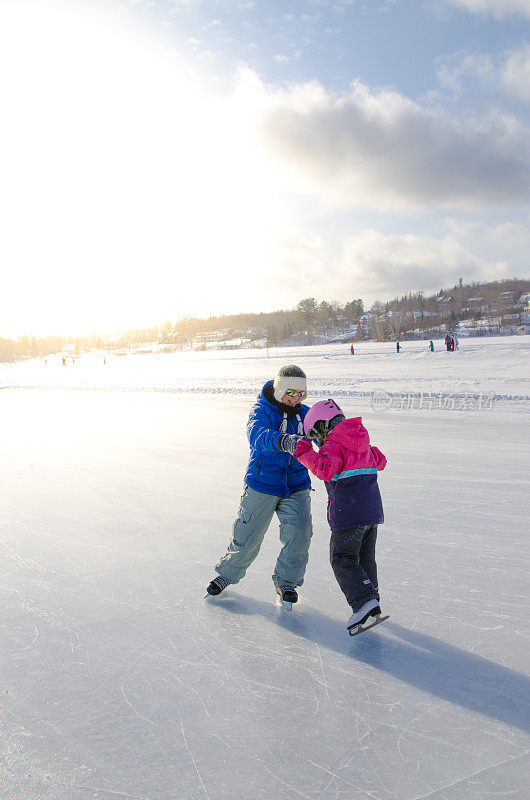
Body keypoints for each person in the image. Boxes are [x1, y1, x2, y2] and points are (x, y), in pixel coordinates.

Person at [206, 365, 313, 605]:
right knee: (247, 535)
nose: (296, 399)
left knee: (300, 533)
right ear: (280, 389)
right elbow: (256, 434)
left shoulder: (306, 414)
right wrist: (283, 441)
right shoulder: (262, 410)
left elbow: (327, 434)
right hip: (262, 484)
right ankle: (227, 574)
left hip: (296, 485)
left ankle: (287, 583)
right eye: (291, 393)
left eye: (301, 394)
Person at [293, 399, 387, 632]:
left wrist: (304, 451)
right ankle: (371, 597)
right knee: (365, 558)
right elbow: (381, 460)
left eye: (315, 435)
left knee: (342, 557)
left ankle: (364, 602)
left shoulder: (333, 444)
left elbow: (325, 469)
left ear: (322, 426)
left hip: (349, 514)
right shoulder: (361, 440)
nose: (317, 441)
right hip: (372, 513)